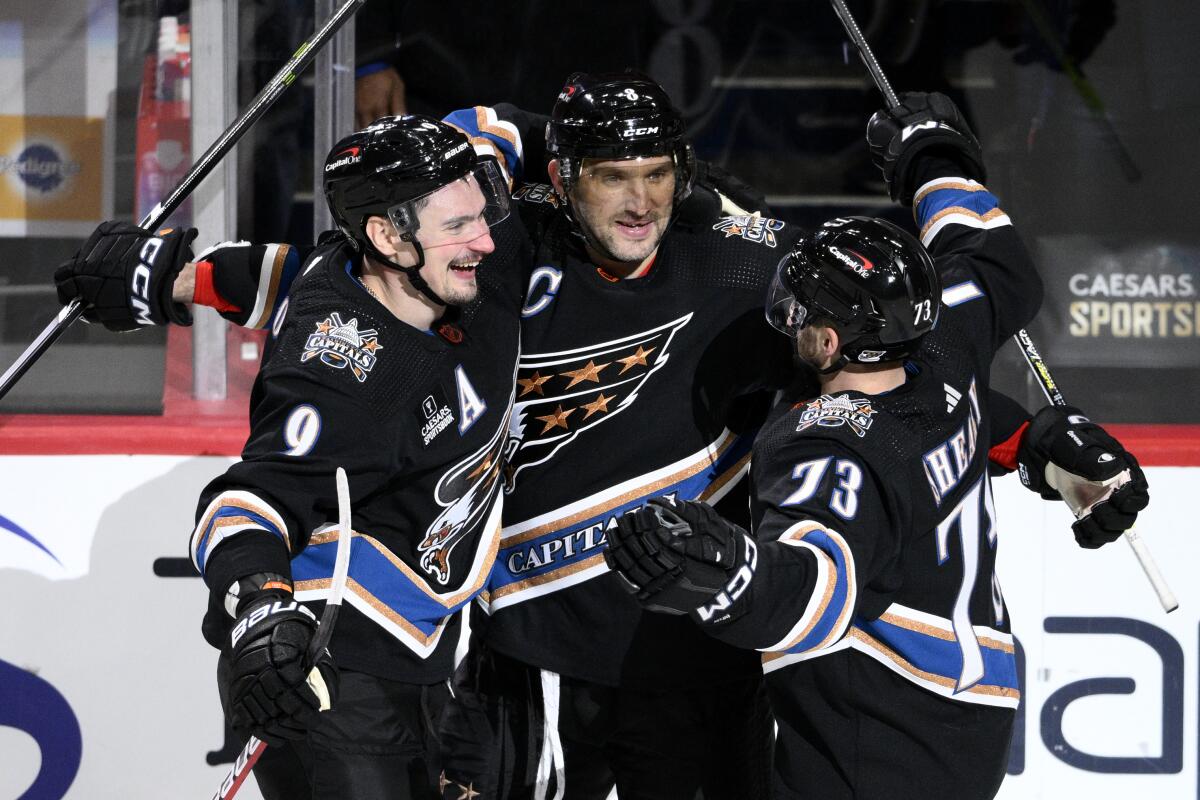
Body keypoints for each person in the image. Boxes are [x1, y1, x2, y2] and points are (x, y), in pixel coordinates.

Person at [603, 93, 1149, 799]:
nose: (786, 322)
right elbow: (995, 254)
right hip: (972, 712)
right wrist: (932, 157)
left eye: (798, 312)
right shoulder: (945, 341)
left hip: (878, 732)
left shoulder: (828, 446)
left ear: (829, 340)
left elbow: (818, 590)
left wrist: (731, 574)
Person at [58, 115, 522, 798]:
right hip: (327, 671)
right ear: (389, 237)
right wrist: (261, 611)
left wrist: (173, 279)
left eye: (483, 216)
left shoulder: (440, 258)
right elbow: (244, 506)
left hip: (425, 655)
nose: (485, 240)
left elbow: (300, 272)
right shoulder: (339, 377)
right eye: (457, 228)